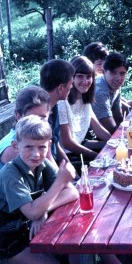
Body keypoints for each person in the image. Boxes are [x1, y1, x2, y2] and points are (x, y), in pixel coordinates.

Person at [0, 114, 79, 263]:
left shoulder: (42, 164)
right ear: (16, 146)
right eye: (29, 147)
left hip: (26, 229)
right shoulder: (10, 173)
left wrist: (44, 211)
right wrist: (59, 182)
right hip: (6, 238)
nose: (36, 154)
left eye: (42, 147)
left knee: (71, 247)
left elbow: (72, 192)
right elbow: (32, 212)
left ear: (48, 145)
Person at [57, 56, 111, 162]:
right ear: (71, 78)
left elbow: (99, 129)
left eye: (88, 76)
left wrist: (115, 142)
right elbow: (67, 143)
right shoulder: (62, 102)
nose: (85, 81)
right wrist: (96, 156)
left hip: (82, 144)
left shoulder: (84, 98)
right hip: (68, 155)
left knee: (112, 149)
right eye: (80, 76)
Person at [0, 85, 51, 168]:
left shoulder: (39, 137)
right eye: (31, 118)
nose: (37, 123)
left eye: (42, 118)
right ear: (18, 116)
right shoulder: (15, 148)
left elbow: (53, 171)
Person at [83, 42, 132, 117]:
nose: (104, 66)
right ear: (89, 64)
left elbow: (114, 99)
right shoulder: (90, 84)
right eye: (99, 63)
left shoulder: (107, 79)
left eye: (106, 62)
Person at [40, 59, 75, 164]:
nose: (72, 87)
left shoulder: (54, 106)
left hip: (55, 164)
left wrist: (75, 174)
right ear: (61, 88)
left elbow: (55, 144)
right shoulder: (40, 115)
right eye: (71, 83)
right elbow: (46, 156)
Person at [92, 52, 130, 134]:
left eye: (122, 73)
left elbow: (118, 115)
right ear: (104, 72)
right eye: (113, 72)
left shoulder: (113, 84)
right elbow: (111, 129)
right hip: (87, 137)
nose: (118, 78)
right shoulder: (99, 92)